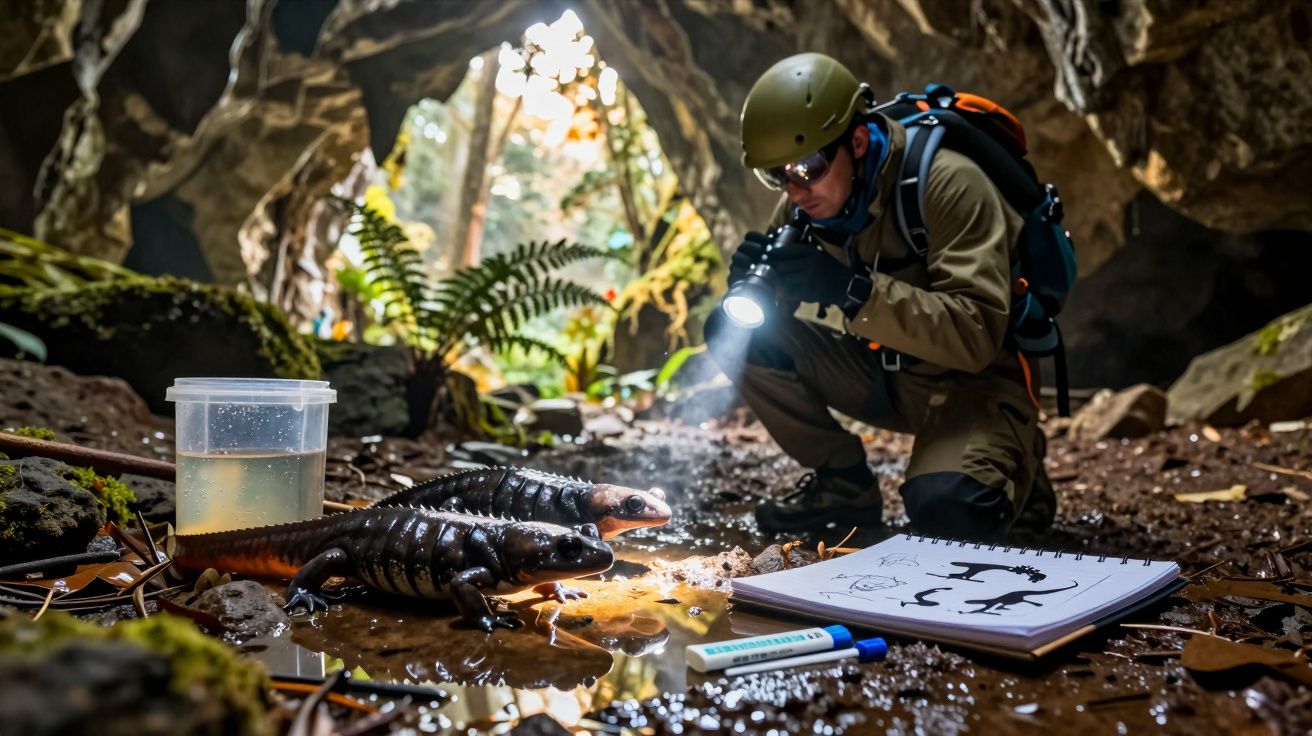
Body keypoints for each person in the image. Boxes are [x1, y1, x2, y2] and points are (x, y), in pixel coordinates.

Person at [705, 52, 1055, 541]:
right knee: (729, 331)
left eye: (807, 166)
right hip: (883, 372)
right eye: (776, 175)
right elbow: (766, 331)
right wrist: (756, 285)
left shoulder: (948, 184)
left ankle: (1017, 467)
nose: (794, 189)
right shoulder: (803, 205)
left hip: (974, 383)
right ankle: (843, 484)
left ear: (858, 140)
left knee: (950, 510)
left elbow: (976, 336)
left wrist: (851, 291)